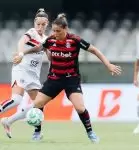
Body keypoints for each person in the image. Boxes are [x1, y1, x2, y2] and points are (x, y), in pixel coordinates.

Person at [14, 13, 122, 143]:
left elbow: (94, 50)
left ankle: (91, 133)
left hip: (71, 79)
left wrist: (108, 64)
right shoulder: (51, 40)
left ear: (66, 29)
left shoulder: (75, 40)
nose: (55, 33)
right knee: (37, 103)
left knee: (80, 108)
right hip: (54, 79)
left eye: (58, 31)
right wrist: (22, 53)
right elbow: (38, 48)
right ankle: (37, 132)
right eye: (53, 30)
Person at [0, 8, 49, 140]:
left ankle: (10, 122)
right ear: (34, 23)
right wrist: (21, 53)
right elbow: (21, 41)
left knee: (39, 104)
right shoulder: (31, 33)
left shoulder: (46, 39)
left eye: (43, 25)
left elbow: (50, 57)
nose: (40, 27)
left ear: (47, 24)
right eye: (38, 24)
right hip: (21, 69)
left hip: (33, 76)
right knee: (17, 99)